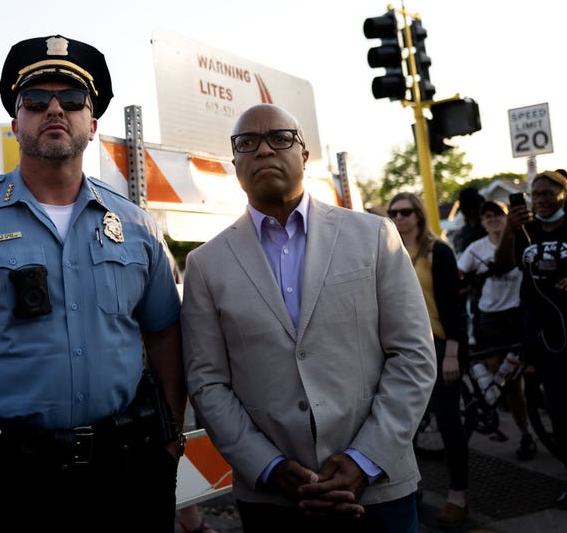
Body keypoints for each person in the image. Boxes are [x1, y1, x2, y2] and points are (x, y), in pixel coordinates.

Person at [0, 35, 186, 533]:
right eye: (35, 100)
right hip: (5, 484)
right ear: (16, 121)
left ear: (92, 123)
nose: (54, 109)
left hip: (127, 475)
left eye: (71, 100)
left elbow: (165, 336)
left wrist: (171, 440)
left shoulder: (138, 227)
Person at [181, 103, 437, 533]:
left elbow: (413, 355)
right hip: (274, 498)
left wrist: (363, 460)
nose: (264, 151)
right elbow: (207, 382)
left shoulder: (374, 236)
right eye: (248, 143)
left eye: (280, 138)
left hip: (379, 488)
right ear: (234, 164)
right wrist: (269, 466)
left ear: (304, 155)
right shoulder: (206, 264)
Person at [388, 192, 471, 528]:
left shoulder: (439, 252)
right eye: (393, 213)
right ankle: (412, 489)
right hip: (399, 349)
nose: (399, 218)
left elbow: (454, 308)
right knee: (401, 427)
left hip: (437, 345)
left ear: (419, 215)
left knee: (449, 422)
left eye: (406, 212)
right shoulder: (389, 254)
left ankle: (458, 495)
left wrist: (452, 353)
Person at [494, 168, 567, 507]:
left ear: (563, 194)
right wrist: (510, 228)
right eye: (535, 195)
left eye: (548, 194)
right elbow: (504, 263)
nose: (539, 200)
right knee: (558, 409)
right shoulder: (526, 230)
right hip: (541, 332)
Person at [456, 200, 536, 460]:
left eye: (497, 215)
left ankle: (528, 427)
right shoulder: (475, 249)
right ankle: (521, 432)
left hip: (520, 315)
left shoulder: (523, 240)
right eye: (487, 216)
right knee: (503, 382)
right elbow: (457, 275)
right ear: (481, 222)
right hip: (490, 319)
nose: (492, 219)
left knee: (522, 380)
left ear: (507, 217)